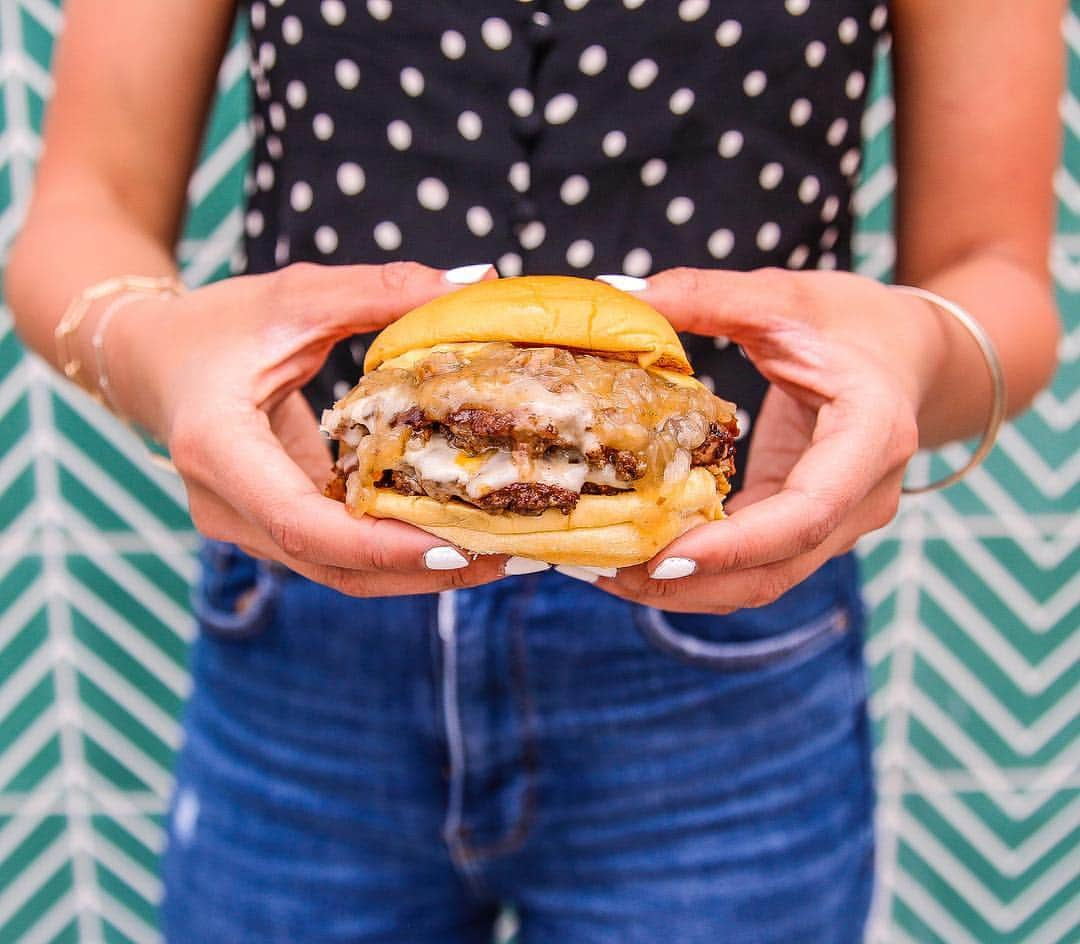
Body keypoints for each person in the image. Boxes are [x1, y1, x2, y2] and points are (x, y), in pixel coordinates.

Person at [8, 1, 1062, 941]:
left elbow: (997, 272)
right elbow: (84, 208)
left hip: (730, 649)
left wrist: (915, 360)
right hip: (303, 632)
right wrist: (153, 354)